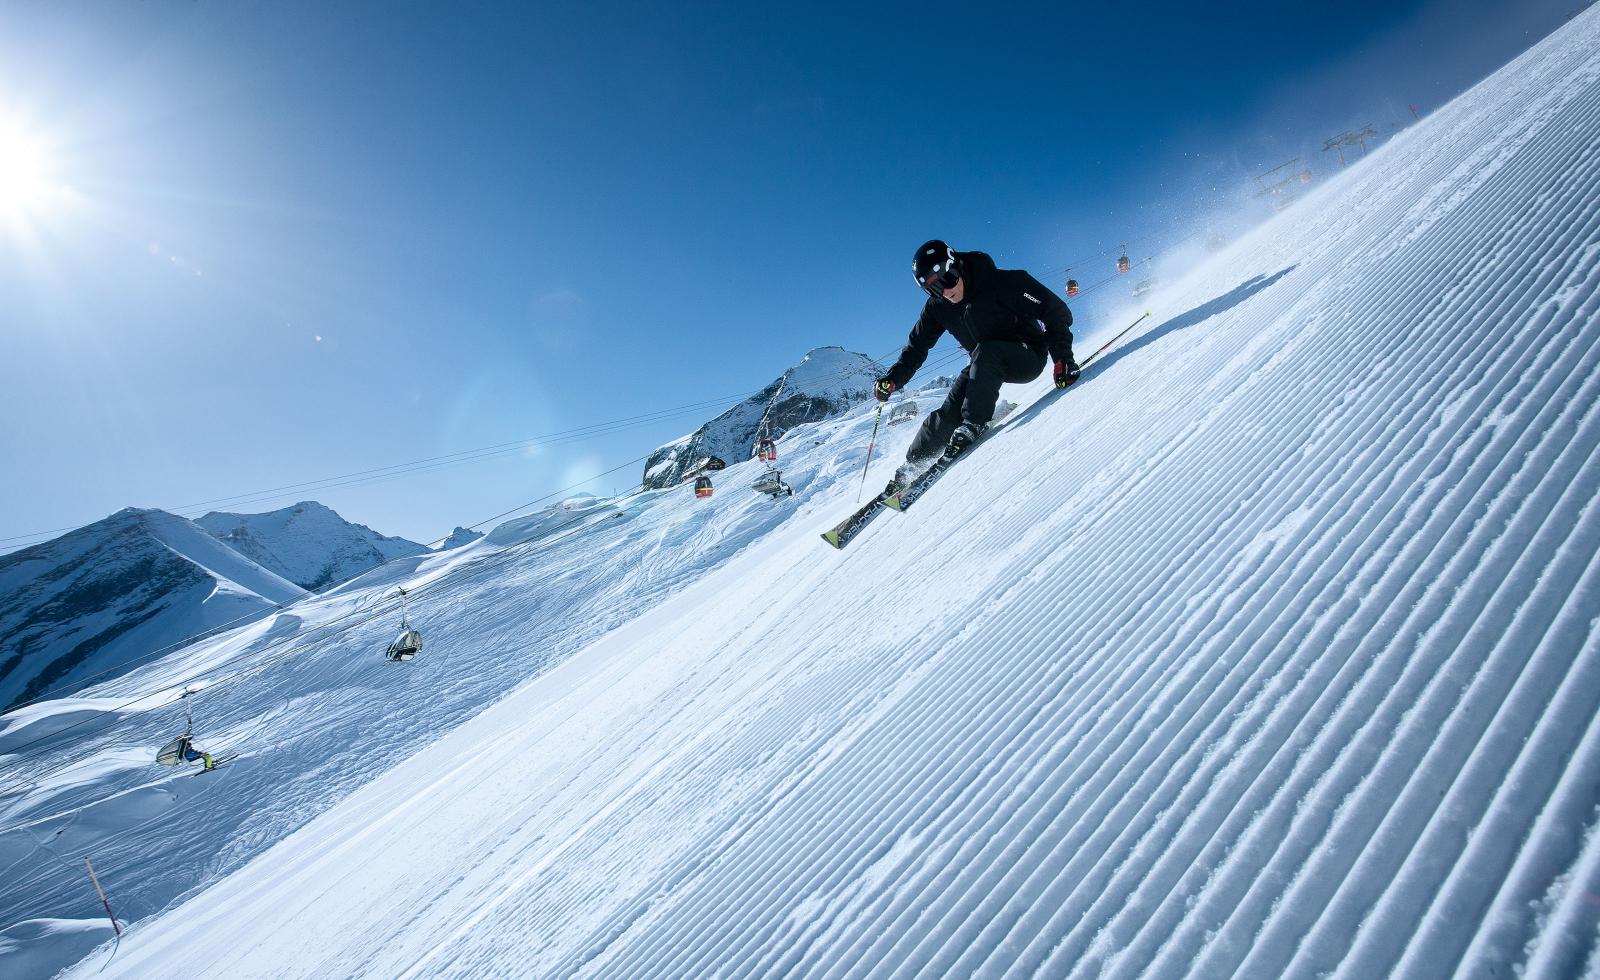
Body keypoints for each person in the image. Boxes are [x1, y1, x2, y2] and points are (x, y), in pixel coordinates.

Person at [877, 240, 1079, 492]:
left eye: (947, 279)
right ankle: (911, 466)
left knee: (986, 352)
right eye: (934, 289)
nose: (946, 291)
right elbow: (916, 347)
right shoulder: (938, 307)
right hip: (984, 364)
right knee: (949, 411)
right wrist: (894, 378)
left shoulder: (1002, 283)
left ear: (957, 265)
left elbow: (1055, 311)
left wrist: (1063, 358)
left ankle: (974, 423)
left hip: (1027, 356)